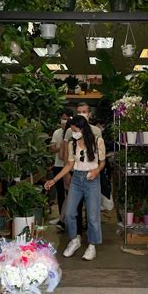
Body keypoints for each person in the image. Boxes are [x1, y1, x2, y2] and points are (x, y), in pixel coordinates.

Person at [45, 115, 105, 261]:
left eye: (74, 130)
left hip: (92, 179)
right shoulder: (72, 144)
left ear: (83, 128)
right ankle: (74, 240)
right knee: (70, 213)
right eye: (72, 130)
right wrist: (54, 180)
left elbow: (102, 162)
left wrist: (96, 171)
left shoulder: (98, 141)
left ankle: (92, 245)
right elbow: (69, 165)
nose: (73, 132)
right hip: (77, 179)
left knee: (92, 216)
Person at [63, 103, 101, 234]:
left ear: (89, 114)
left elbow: (100, 158)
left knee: (92, 212)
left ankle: (91, 239)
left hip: (91, 175)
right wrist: (66, 174)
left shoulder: (96, 132)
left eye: (84, 111)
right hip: (75, 174)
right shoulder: (70, 131)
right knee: (72, 210)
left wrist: (97, 170)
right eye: (79, 112)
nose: (82, 114)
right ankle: (76, 235)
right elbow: (67, 153)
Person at [49, 108, 73, 227]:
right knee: (60, 193)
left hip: (69, 167)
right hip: (58, 166)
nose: (64, 121)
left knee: (71, 194)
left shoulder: (73, 132)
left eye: (66, 118)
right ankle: (61, 217)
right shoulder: (57, 132)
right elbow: (52, 149)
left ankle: (67, 218)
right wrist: (62, 146)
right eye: (62, 118)